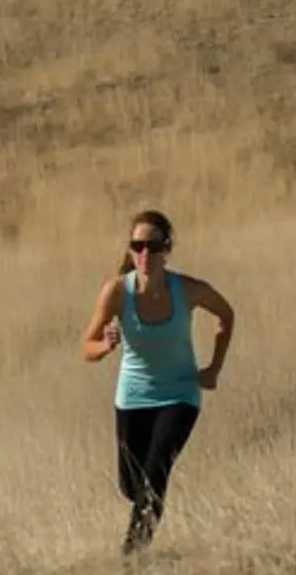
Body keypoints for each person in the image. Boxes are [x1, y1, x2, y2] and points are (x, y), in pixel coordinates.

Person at [81, 209, 236, 555]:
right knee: (131, 485)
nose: (145, 254)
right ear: (130, 250)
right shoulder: (117, 292)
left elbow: (226, 314)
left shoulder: (189, 290)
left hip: (180, 393)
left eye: (153, 246)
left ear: (167, 249)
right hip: (133, 397)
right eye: (138, 246)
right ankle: (140, 540)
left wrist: (213, 368)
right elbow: (86, 347)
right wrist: (106, 344)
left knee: (155, 479)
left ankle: (132, 559)